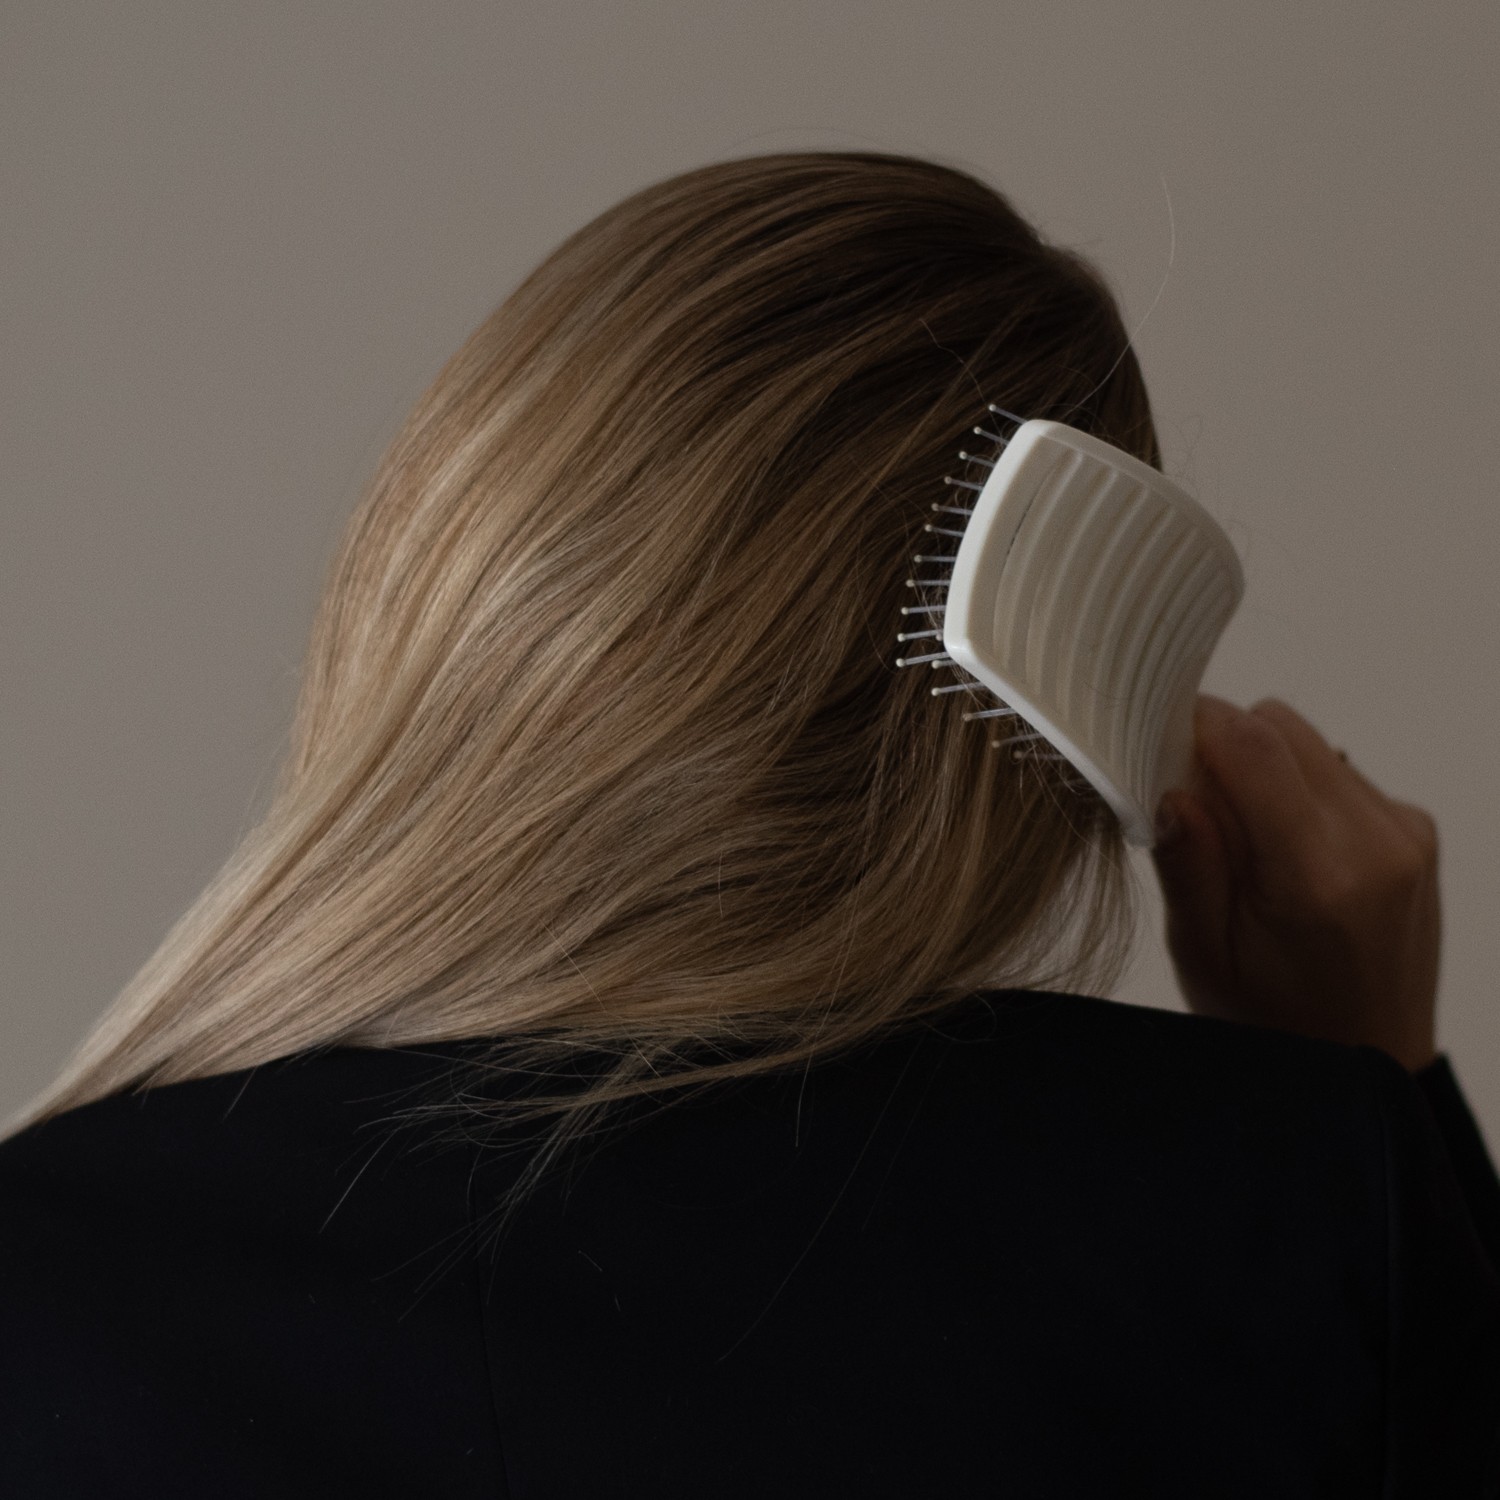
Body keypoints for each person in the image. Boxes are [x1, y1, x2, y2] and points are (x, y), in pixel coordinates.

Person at [1, 151, 1496, 1497]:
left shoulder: (50, 1271)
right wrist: (1382, 1089)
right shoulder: (1282, 1218)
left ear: (448, 591)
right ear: (1065, 730)